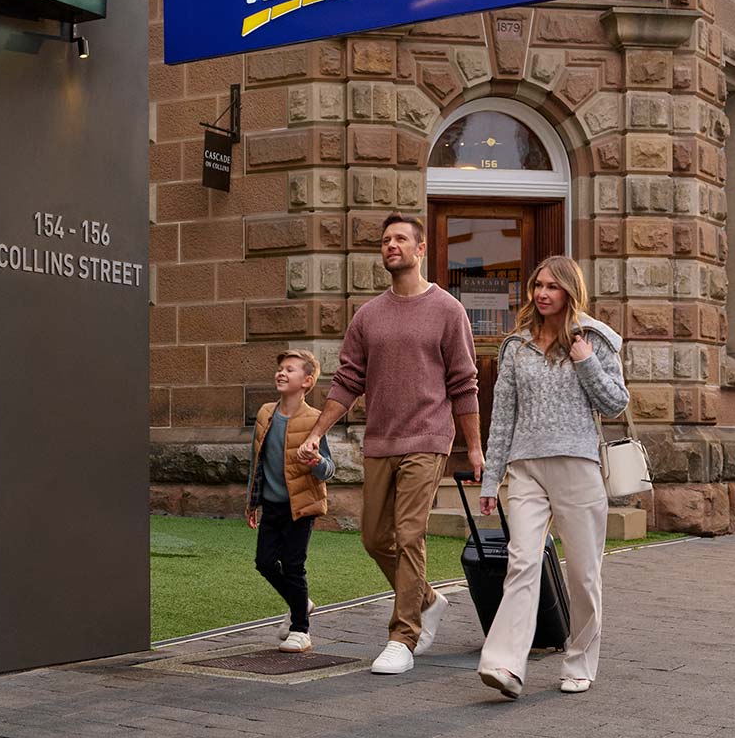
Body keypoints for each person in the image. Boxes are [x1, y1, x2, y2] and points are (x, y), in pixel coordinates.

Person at [297, 213, 481, 675]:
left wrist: (475, 448)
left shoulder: (447, 310)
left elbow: (464, 384)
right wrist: (317, 432)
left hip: (429, 436)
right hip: (380, 438)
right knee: (375, 537)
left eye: (400, 239)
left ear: (421, 250)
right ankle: (429, 600)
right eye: (385, 240)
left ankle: (403, 635)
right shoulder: (368, 315)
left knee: (409, 533)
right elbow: (346, 381)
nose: (390, 246)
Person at [475, 255, 630, 699]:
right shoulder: (515, 347)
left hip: (577, 466)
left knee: (583, 573)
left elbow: (615, 404)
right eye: (537, 285)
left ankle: (579, 662)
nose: (542, 293)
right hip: (526, 468)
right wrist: (492, 480)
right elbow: (502, 418)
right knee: (522, 562)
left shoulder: (595, 340)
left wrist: (585, 362)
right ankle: (504, 663)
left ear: (569, 291)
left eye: (552, 287)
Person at [246, 349, 336, 654]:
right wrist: (251, 503)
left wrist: (316, 462)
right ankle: (302, 603)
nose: (282, 373)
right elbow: (256, 462)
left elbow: (329, 469)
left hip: (302, 506)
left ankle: (301, 629)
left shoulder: (315, 420)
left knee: (294, 565)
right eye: (280, 368)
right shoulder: (265, 414)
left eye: (291, 370)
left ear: (307, 381)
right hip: (271, 505)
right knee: (265, 562)